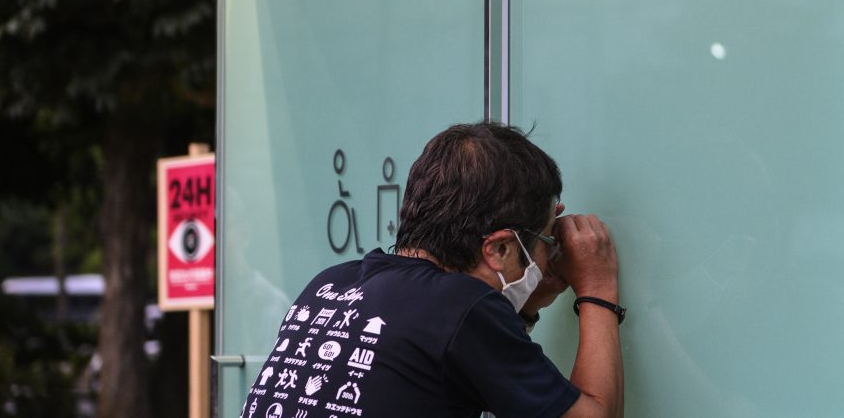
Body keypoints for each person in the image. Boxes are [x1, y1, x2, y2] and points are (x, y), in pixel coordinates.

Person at [239, 122, 624, 418]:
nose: (548, 257)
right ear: (501, 248)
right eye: (546, 241)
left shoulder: (330, 282)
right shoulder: (462, 308)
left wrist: (527, 300)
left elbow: (444, 360)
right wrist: (597, 287)